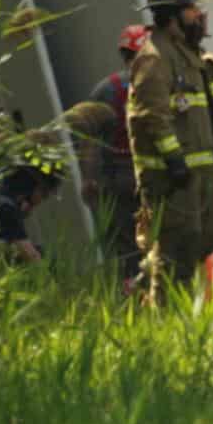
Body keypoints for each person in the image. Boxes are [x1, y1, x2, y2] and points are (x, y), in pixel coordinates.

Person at [127, 0, 213, 302]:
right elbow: (151, 115)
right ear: (172, 16)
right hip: (173, 174)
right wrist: (173, 160)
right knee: (177, 245)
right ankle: (163, 313)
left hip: (206, 167)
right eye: (192, 11)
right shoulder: (154, 57)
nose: (199, 17)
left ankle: (158, 272)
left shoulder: (190, 54)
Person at [84, 25, 149, 278]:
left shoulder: (106, 89)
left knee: (126, 243)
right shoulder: (159, 85)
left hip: (115, 178)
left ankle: (134, 289)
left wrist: (88, 179)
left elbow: (88, 140)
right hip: (152, 174)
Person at [0, 163, 64, 267]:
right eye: (44, 195)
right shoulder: (6, 207)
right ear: (35, 188)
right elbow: (32, 257)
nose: (40, 201)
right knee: (44, 257)